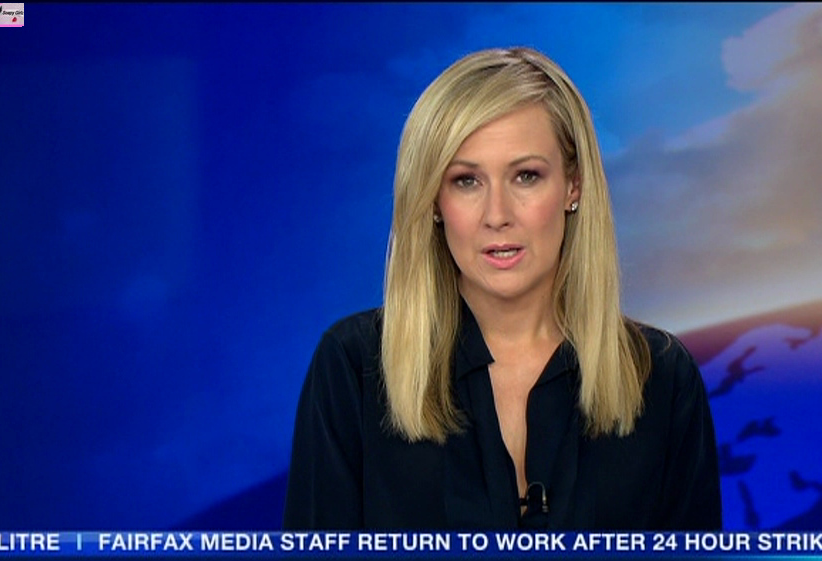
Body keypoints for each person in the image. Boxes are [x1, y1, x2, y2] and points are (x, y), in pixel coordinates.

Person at [283, 47, 721, 530]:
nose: (497, 215)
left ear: (573, 186)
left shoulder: (661, 378)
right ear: (433, 199)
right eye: (466, 181)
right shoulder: (354, 368)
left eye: (526, 176)